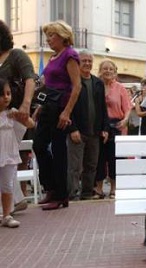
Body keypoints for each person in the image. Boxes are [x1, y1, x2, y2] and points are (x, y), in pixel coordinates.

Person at [33, 20, 81, 210]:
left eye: (52, 35)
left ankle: (61, 195)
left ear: (62, 36)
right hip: (47, 108)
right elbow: (47, 86)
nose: (48, 39)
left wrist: (67, 112)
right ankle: (51, 187)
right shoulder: (53, 57)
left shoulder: (70, 55)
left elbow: (76, 86)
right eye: (47, 35)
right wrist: (39, 107)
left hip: (60, 109)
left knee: (59, 151)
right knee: (39, 145)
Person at [0, 20, 36, 213]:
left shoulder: (16, 55)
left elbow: (30, 78)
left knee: (7, 157)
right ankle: (14, 200)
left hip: (14, 115)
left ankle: (11, 202)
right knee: (4, 157)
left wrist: (25, 105)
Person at [66, 50, 109, 200]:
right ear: (78, 62)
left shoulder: (98, 83)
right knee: (75, 167)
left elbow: (103, 108)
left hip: (95, 132)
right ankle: (72, 195)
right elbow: (68, 107)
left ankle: (86, 194)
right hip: (77, 131)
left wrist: (105, 128)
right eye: (84, 61)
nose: (87, 64)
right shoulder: (72, 82)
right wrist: (72, 129)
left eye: (89, 61)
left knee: (91, 166)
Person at [0, 78, 35, 227]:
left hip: (8, 154)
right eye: (2, 94)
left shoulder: (12, 113)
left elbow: (31, 124)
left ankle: (7, 215)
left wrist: (22, 117)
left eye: (8, 93)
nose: (6, 97)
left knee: (7, 184)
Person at [94, 59, 131, 199]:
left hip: (116, 125)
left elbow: (127, 107)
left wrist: (125, 120)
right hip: (100, 126)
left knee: (113, 157)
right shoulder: (96, 86)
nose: (108, 71)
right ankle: (98, 188)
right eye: (105, 68)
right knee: (99, 157)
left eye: (110, 69)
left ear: (115, 72)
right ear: (100, 71)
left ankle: (114, 189)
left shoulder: (120, 88)